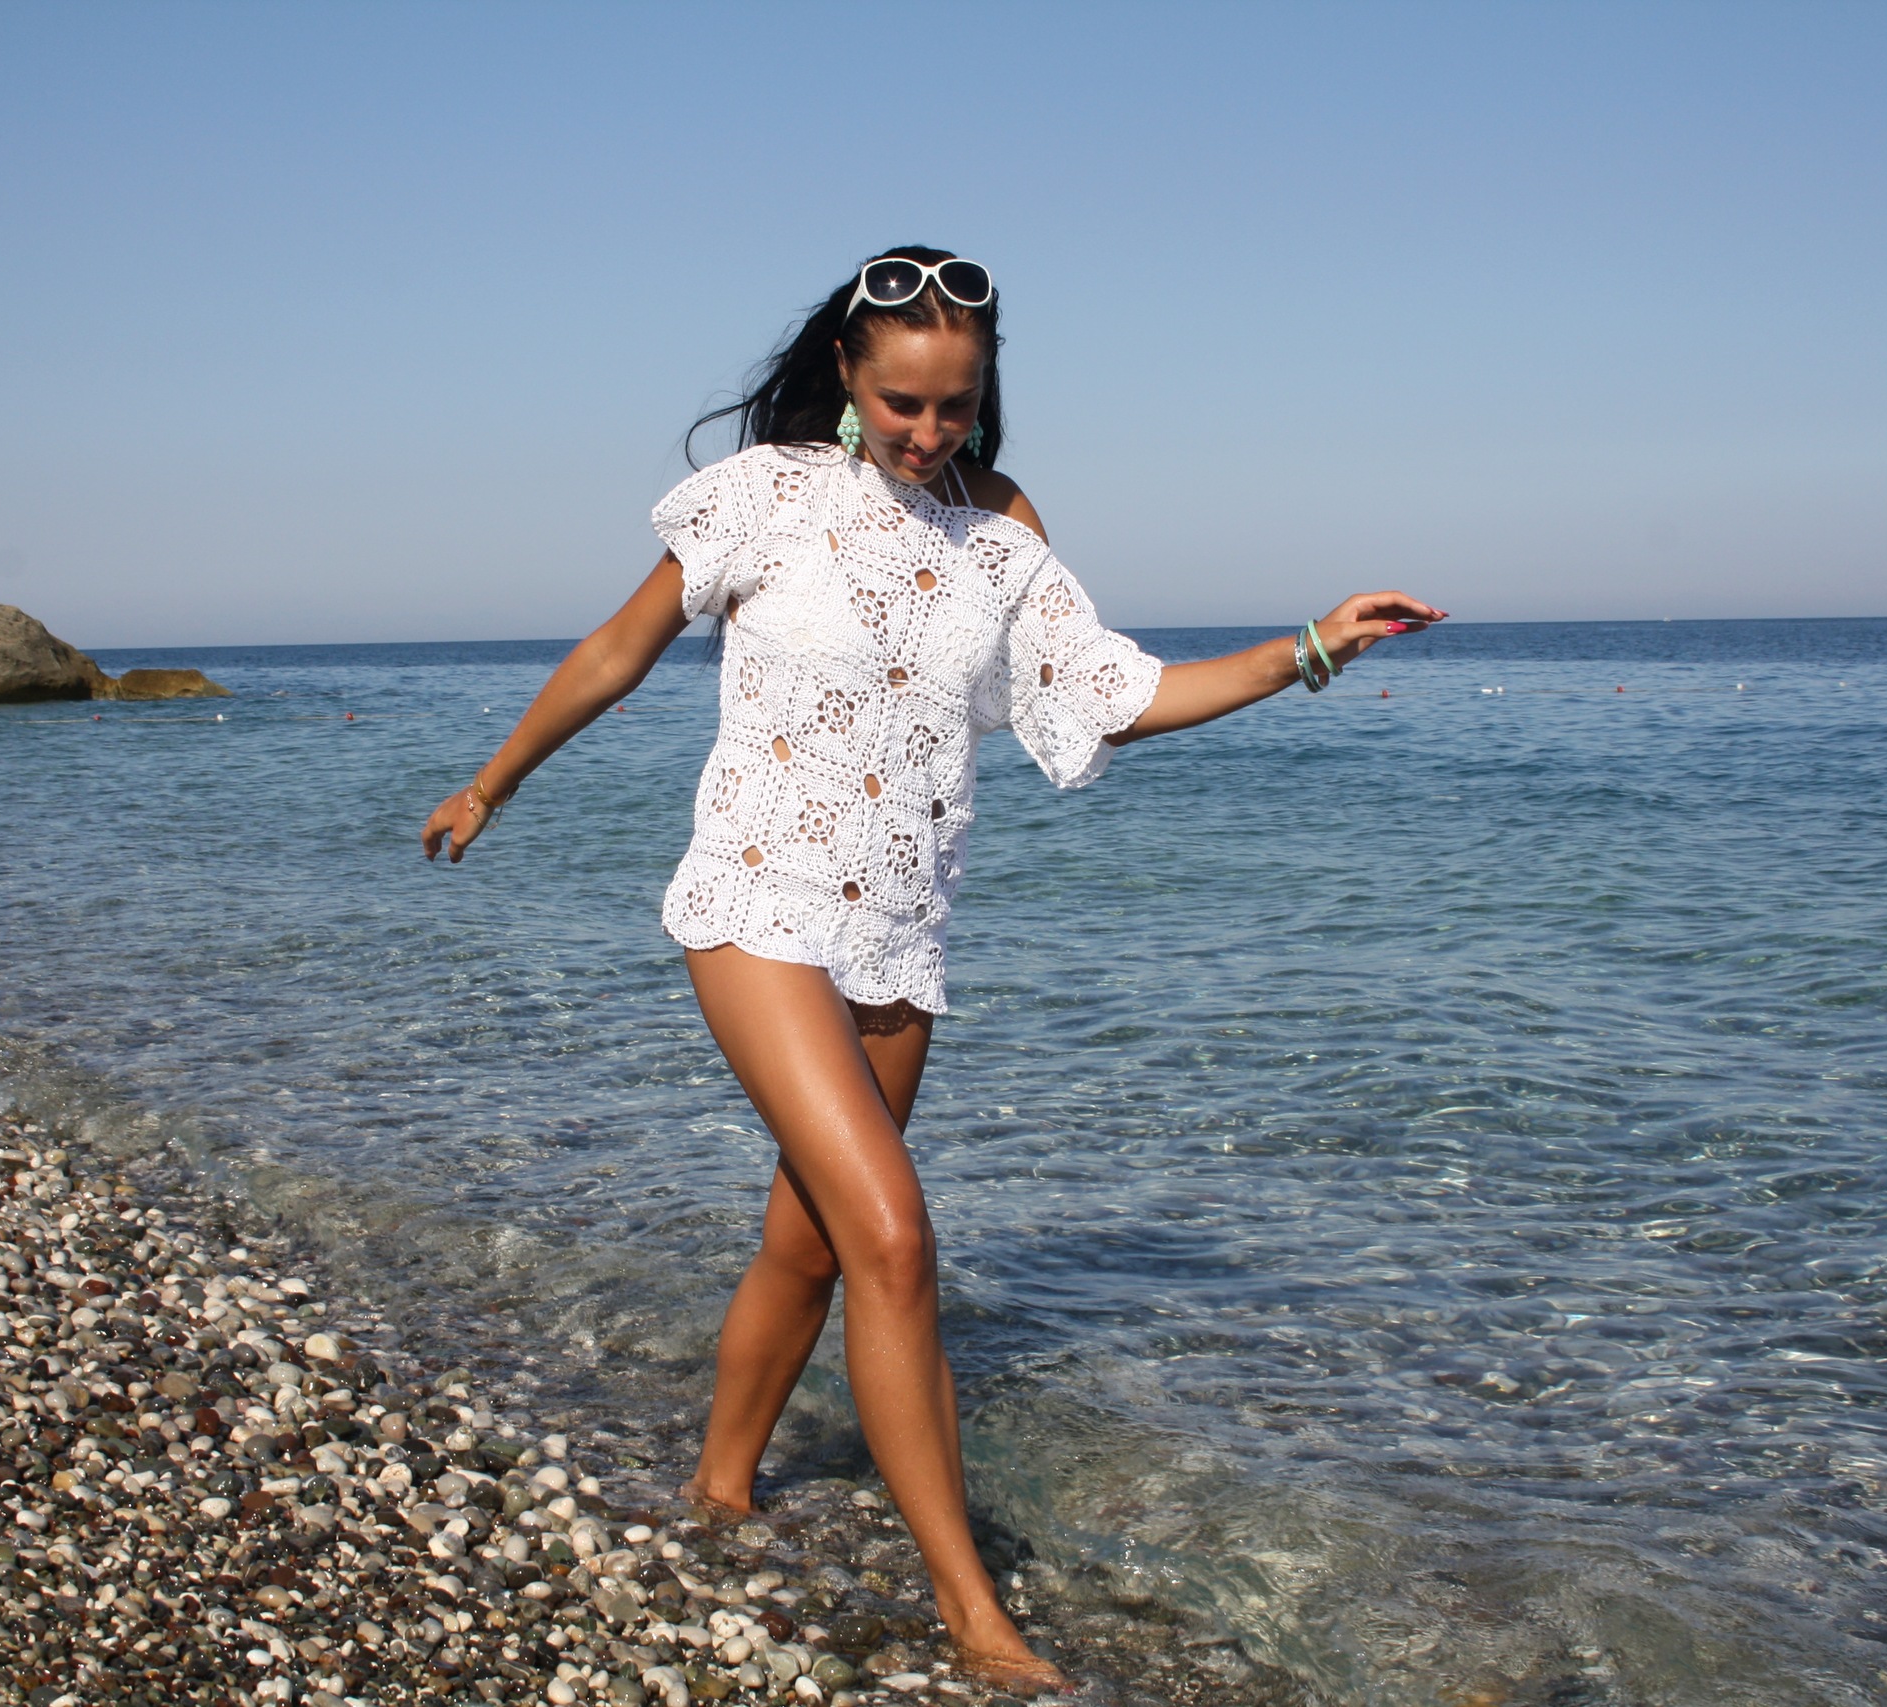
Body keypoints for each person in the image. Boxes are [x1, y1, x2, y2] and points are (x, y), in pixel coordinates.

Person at [422, 246, 1443, 1693]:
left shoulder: (1001, 526)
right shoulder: (767, 494)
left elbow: (1118, 694)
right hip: (758, 904)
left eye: (954, 405)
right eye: (902, 401)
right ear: (849, 374)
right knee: (896, 1238)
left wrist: (1309, 648)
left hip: (898, 930)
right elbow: (618, 649)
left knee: (813, 1241)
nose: (927, 431)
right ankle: (972, 1607)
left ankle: (719, 1489)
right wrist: (492, 784)